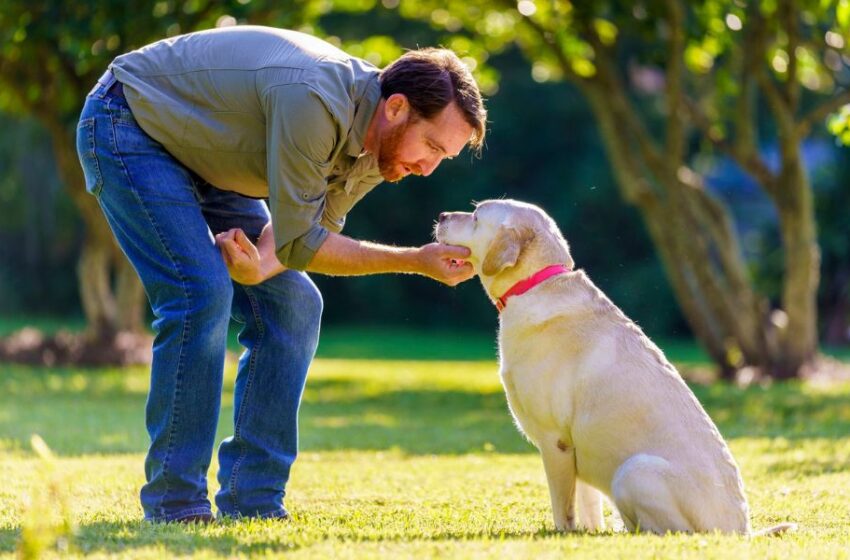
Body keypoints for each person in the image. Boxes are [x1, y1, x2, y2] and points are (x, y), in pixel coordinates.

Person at [75, 25, 486, 523]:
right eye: (433, 147)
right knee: (199, 292)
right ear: (396, 107)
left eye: (443, 157)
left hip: (210, 159)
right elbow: (301, 244)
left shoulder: (382, 152)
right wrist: (415, 260)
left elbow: (302, 241)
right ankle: (174, 500)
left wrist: (258, 270)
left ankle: (253, 501)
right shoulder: (312, 99)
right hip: (130, 123)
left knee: (295, 304)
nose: (429, 167)